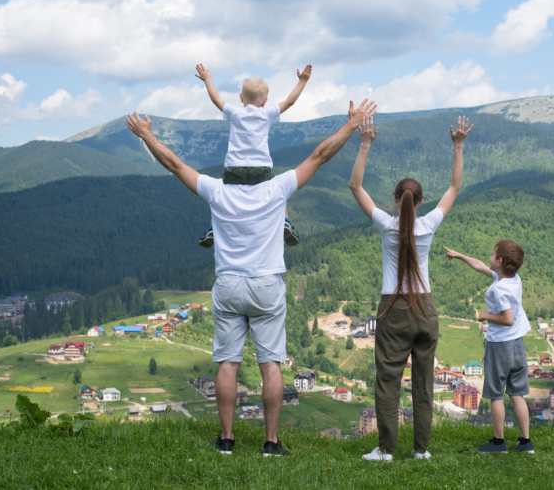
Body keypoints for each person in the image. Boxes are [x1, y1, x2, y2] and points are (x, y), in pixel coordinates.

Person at [125, 98, 377, 457]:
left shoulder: (217, 191)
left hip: (228, 284)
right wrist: (352, 125)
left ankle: (226, 439)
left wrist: (147, 135)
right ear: (265, 166)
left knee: (227, 363)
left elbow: (174, 163)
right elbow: (320, 155)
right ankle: (271, 443)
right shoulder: (277, 189)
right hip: (266, 285)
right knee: (270, 365)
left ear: (231, 166)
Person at [349, 112, 472, 461]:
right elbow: (454, 188)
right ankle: (421, 450)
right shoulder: (429, 225)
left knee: (388, 380)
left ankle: (386, 449)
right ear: (419, 202)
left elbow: (355, 187)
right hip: (425, 308)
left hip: (393, 308)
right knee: (424, 382)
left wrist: (365, 143)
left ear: (395, 199)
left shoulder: (386, 225)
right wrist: (458, 146)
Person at [194, 62, 312, 247]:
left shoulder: (235, 113)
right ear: (265, 101)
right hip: (261, 168)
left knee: (221, 195)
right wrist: (302, 82)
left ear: (241, 98)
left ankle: (214, 228)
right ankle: (285, 222)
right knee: (278, 192)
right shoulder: (267, 113)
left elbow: (215, 99)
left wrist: (207, 80)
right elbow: (290, 101)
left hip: (234, 168)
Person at [445, 241, 535, 454]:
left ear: (500, 260)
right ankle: (526, 443)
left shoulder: (497, 290)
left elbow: (507, 319)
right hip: (517, 345)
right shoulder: (513, 279)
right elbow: (480, 266)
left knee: (496, 394)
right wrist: (459, 255)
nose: (490, 255)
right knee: (517, 393)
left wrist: (484, 315)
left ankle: (498, 443)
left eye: (493, 253)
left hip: (500, 346)